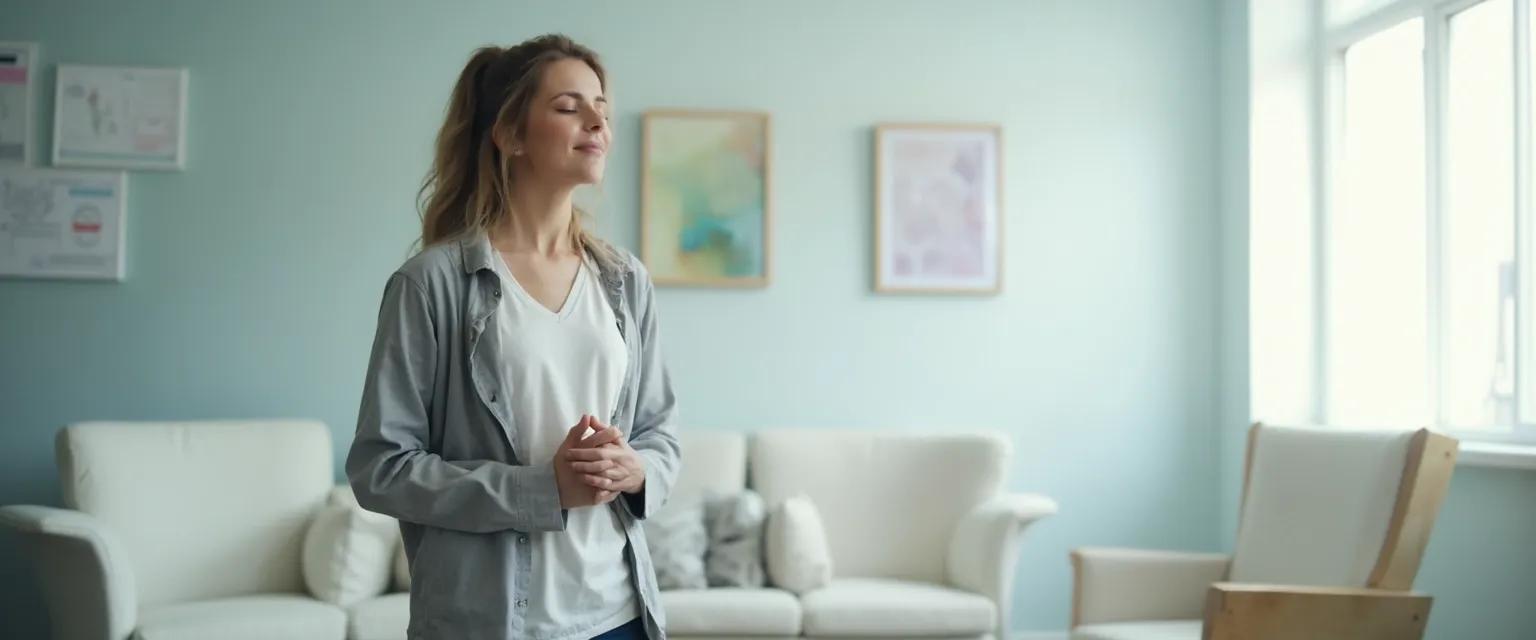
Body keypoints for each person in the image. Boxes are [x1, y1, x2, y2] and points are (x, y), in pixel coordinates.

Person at [346, 34, 680, 640]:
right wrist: (541, 489)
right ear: (511, 135)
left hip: (620, 615)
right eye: (568, 106)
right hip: (489, 623)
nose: (597, 119)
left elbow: (661, 433)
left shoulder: (626, 281)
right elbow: (381, 468)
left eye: (602, 105)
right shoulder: (431, 284)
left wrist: (633, 469)